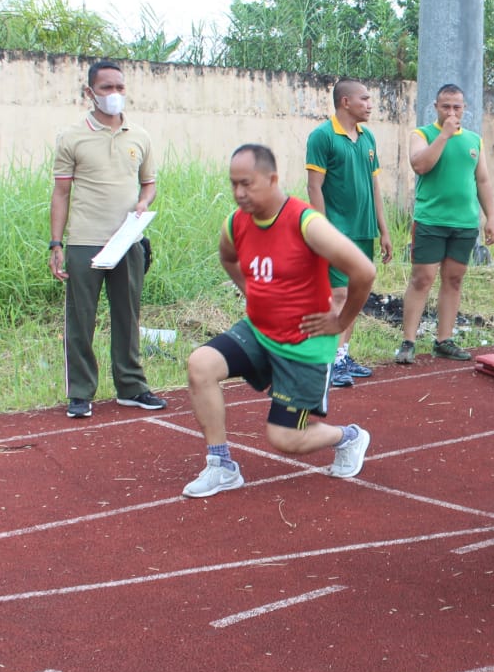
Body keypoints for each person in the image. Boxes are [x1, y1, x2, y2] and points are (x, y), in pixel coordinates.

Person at [182, 144, 375, 498]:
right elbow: (227, 256)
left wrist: (340, 320)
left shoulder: (306, 223)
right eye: (234, 184)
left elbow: (363, 271)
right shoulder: (236, 222)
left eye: (247, 184)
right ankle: (221, 466)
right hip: (259, 331)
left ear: (272, 179)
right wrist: (252, 292)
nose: (239, 194)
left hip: (304, 344)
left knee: (285, 438)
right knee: (201, 365)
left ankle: (349, 437)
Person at [48, 59, 166, 419]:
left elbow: (149, 183)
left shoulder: (140, 136)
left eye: (120, 87)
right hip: (85, 241)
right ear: (89, 93)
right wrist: (56, 244)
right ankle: (81, 393)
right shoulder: (71, 137)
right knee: (80, 319)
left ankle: (131, 387)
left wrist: (144, 203)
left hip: (128, 242)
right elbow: (61, 193)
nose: (114, 95)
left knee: (127, 316)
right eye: (106, 88)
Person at [396, 84, 494, 365]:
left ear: (464, 108)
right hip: (431, 221)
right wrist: (444, 135)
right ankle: (408, 342)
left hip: (464, 224)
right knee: (422, 279)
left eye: (457, 107)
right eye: (446, 106)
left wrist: (491, 217)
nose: (452, 112)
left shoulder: (474, 140)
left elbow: (483, 181)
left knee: (453, 280)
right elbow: (421, 166)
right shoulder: (422, 135)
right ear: (436, 107)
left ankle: (444, 340)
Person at [306, 78, 394, 388]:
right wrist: (321, 230)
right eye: (365, 99)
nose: (370, 105)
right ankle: (330, 361)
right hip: (337, 230)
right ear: (346, 102)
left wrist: (383, 230)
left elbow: (374, 186)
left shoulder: (368, 138)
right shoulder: (322, 137)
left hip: (363, 230)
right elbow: (313, 186)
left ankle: (342, 355)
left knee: (356, 294)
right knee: (339, 295)